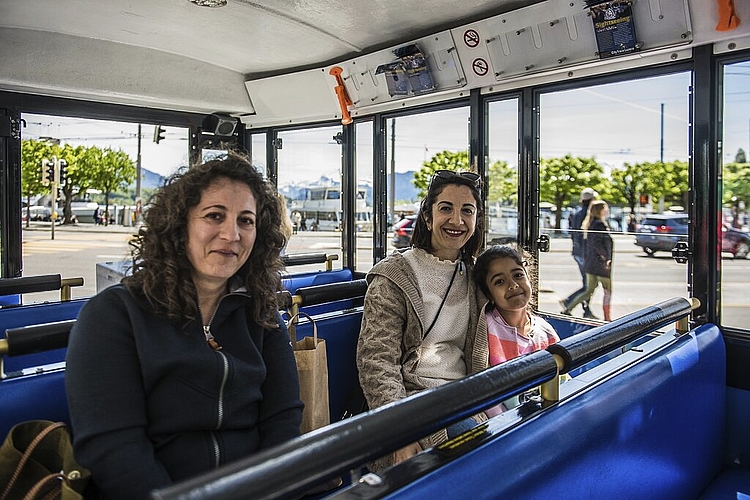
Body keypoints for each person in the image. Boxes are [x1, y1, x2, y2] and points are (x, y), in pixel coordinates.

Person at [65, 153, 303, 499]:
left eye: (246, 221)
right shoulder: (114, 315)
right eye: (215, 216)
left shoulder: (261, 314)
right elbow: (114, 449)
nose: (231, 234)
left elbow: (282, 421)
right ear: (180, 225)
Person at [356, 169, 486, 471]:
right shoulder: (395, 275)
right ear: (427, 218)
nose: (457, 221)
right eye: (446, 209)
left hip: (471, 395)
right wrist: (400, 431)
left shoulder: (477, 276)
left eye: (467, 211)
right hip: (414, 403)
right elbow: (377, 361)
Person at [473, 244, 560, 414]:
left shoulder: (545, 332)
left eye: (518, 275)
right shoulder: (485, 331)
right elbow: (486, 393)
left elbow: (562, 381)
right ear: (488, 294)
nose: (513, 285)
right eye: (499, 281)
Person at [561, 199, 613, 321]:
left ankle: (568, 308)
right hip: (601, 265)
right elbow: (598, 244)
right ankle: (607, 317)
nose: (607, 211)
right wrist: (606, 257)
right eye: (605, 208)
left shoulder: (590, 223)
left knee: (588, 290)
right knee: (607, 291)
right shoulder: (599, 225)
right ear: (599, 210)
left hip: (591, 264)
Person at [560, 188, 597, 318]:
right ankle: (571, 302)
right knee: (588, 285)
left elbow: (571, 232)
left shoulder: (575, 213)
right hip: (585, 253)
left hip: (577, 251)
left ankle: (582, 308)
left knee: (586, 283)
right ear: (592, 199)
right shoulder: (590, 213)